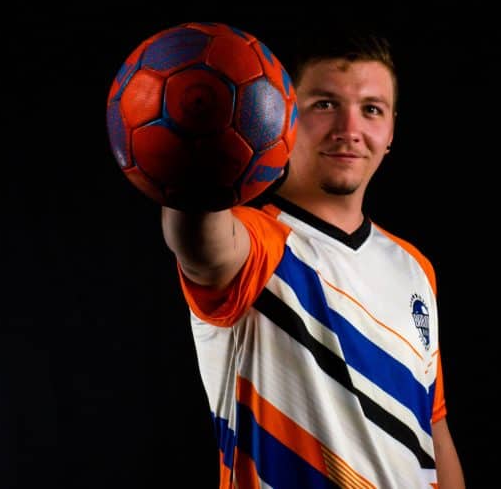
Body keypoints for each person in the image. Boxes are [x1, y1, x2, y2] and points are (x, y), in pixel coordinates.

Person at [160, 26, 466, 488]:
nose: (349, 130)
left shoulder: (415, 267)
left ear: (391, 131)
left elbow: (434, 428)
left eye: (371, 110)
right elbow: (201, 246)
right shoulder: (256, 240)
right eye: (324, 104)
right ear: (285, 118)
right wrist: (196, 140)